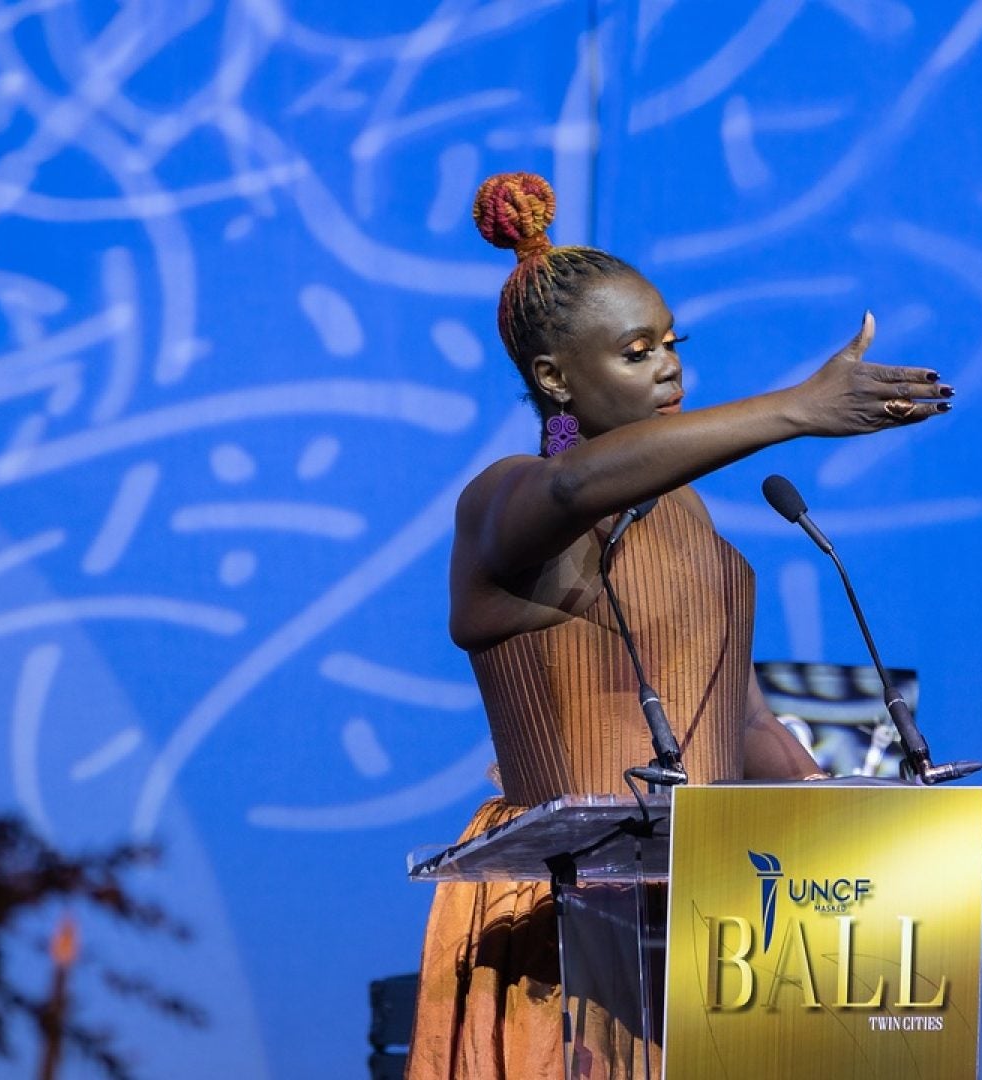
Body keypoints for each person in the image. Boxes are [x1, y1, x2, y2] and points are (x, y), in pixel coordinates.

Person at [405, 172, 953, 1080]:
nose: (669, 367)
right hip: (562, 921)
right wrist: (796, 409)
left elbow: (739, 724)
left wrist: (842, 827)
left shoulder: (690, 523)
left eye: (671, 343)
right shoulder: (505, 500)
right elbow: (575, 484)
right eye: (635, 351)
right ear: (554, 377)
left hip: (712, 921)